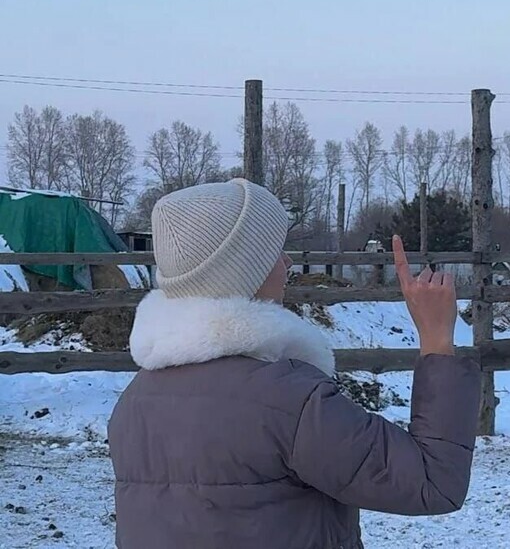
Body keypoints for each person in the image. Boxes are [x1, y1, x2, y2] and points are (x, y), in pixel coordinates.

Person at [107, 178, 482, 549]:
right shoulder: (288, 401)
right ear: (245, 269)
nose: (287, 262)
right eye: (274, 251)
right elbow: (432, 482)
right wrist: (436, 338)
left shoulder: (134, 401)